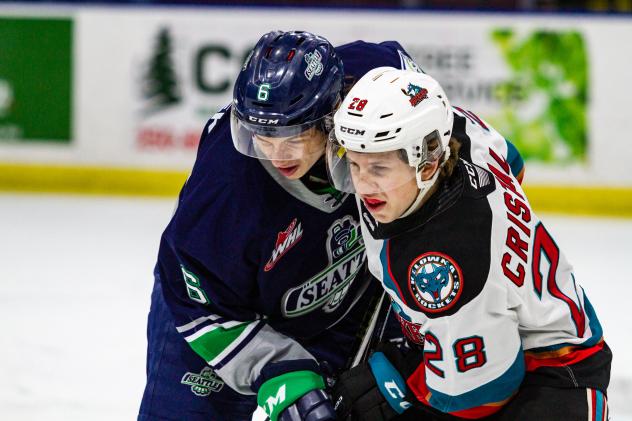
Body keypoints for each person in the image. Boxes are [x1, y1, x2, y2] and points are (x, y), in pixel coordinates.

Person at [138, 32, 424, 421]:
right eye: (261, 134)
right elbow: (196, 303)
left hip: (338, 305)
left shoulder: (375, 80)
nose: (274, 153)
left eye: (291, 135)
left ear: (330, 116)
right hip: (218, 319)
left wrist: (478, 148)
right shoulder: (228, 188)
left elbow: (434, 117)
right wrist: (280, 371)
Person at [327, 68, 612, 420]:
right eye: (354, 164)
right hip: (489, 331)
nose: (363, 185)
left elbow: (481, 396)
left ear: (428, 162)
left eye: (379, 169)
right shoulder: (458, 130)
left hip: (555, 370)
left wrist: (402, 384)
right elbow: (513, 161)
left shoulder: (446, 264)